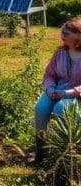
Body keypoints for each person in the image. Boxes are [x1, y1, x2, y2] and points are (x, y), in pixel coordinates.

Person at [34, 18, 81, 162]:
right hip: (56, 90)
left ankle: (64, 151)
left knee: (61, 109)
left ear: (78, 36)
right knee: (40, 107)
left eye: (67, 33)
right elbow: (50, 74)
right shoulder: (60, 53)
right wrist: (49, 89)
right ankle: (41, 151)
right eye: (63, 32)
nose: (63, 35)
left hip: (77, 95)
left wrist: (69, 93)